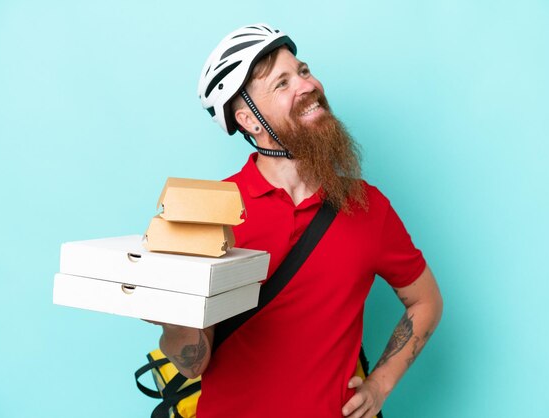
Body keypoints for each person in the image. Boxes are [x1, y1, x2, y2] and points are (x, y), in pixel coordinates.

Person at [151, 23, 443, 418]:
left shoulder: (367, 205)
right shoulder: (211, 213)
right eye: (281, 83)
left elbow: (425, 301)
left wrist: (381, 384)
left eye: (303, 71)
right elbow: (192, 364)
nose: (306, 85)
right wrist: (169, 312)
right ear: (250, 120)